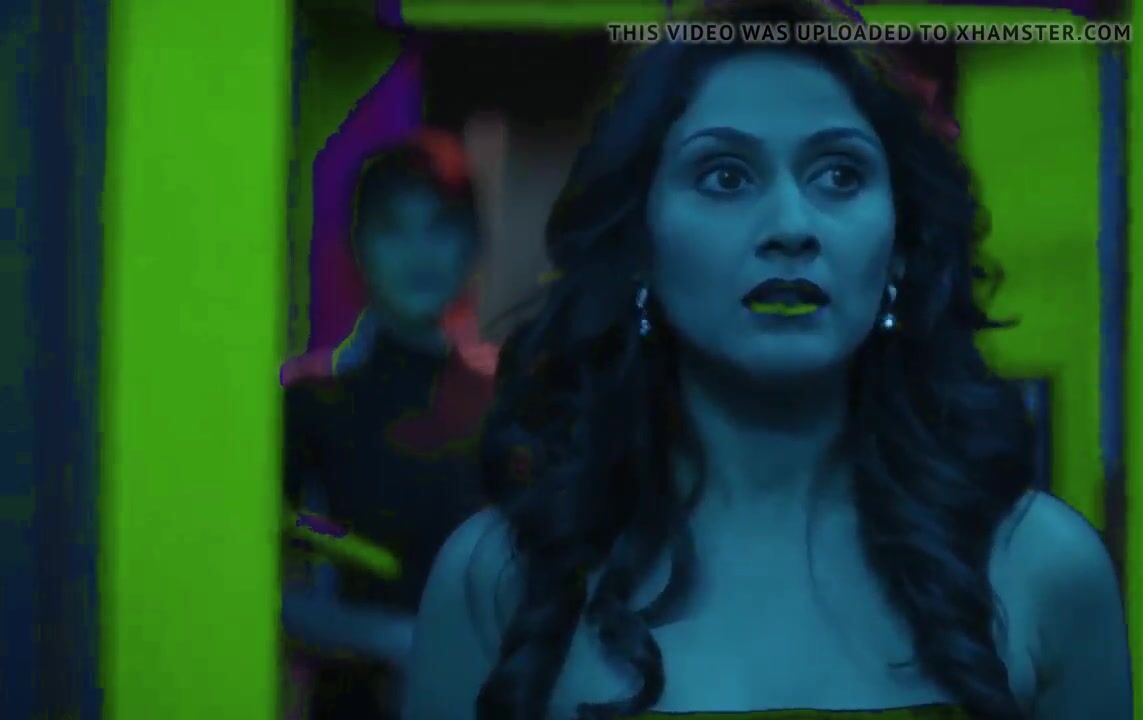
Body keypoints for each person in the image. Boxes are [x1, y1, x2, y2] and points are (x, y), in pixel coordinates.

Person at [402, 1, 1133, 719]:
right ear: (639, 243)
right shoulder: (497, 581)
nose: (790, 226)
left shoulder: (1042, 570)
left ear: (901, 249)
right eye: (725, 177)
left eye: (839, 176)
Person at [281, 129, 493, 720]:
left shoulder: (513, 399)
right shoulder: (310, 402)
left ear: (473, 242)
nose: (419, 253)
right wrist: (394, 639)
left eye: (440, 227)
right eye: (394, 229)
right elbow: (261, 592)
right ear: (358, 245)